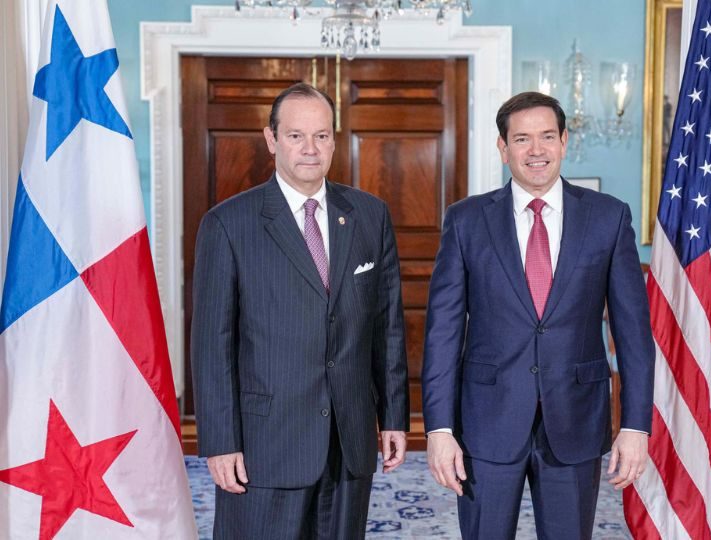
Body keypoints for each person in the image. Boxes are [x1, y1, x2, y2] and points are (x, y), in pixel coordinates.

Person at [422, 91, 654, 539]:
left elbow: (634, 334)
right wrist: (439, 428)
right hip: (486, 422)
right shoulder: (467, 221)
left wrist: (635, 424)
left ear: (565, 141)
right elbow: (443, 334)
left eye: (548, 136)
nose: (537, 150)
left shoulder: (608, 217)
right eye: (523, 139)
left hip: (576, 419)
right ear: (503, 147)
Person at [191, 82, 409, 539]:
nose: (311, 149)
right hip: (264, 442)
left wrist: (393, 416)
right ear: (271, 140)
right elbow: (212, 344)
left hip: (348, 440)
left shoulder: (370, 215)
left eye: (322, 136)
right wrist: (220, 441)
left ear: (334, 139)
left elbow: (386, 327)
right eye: (295, 136)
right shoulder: (228, 224)